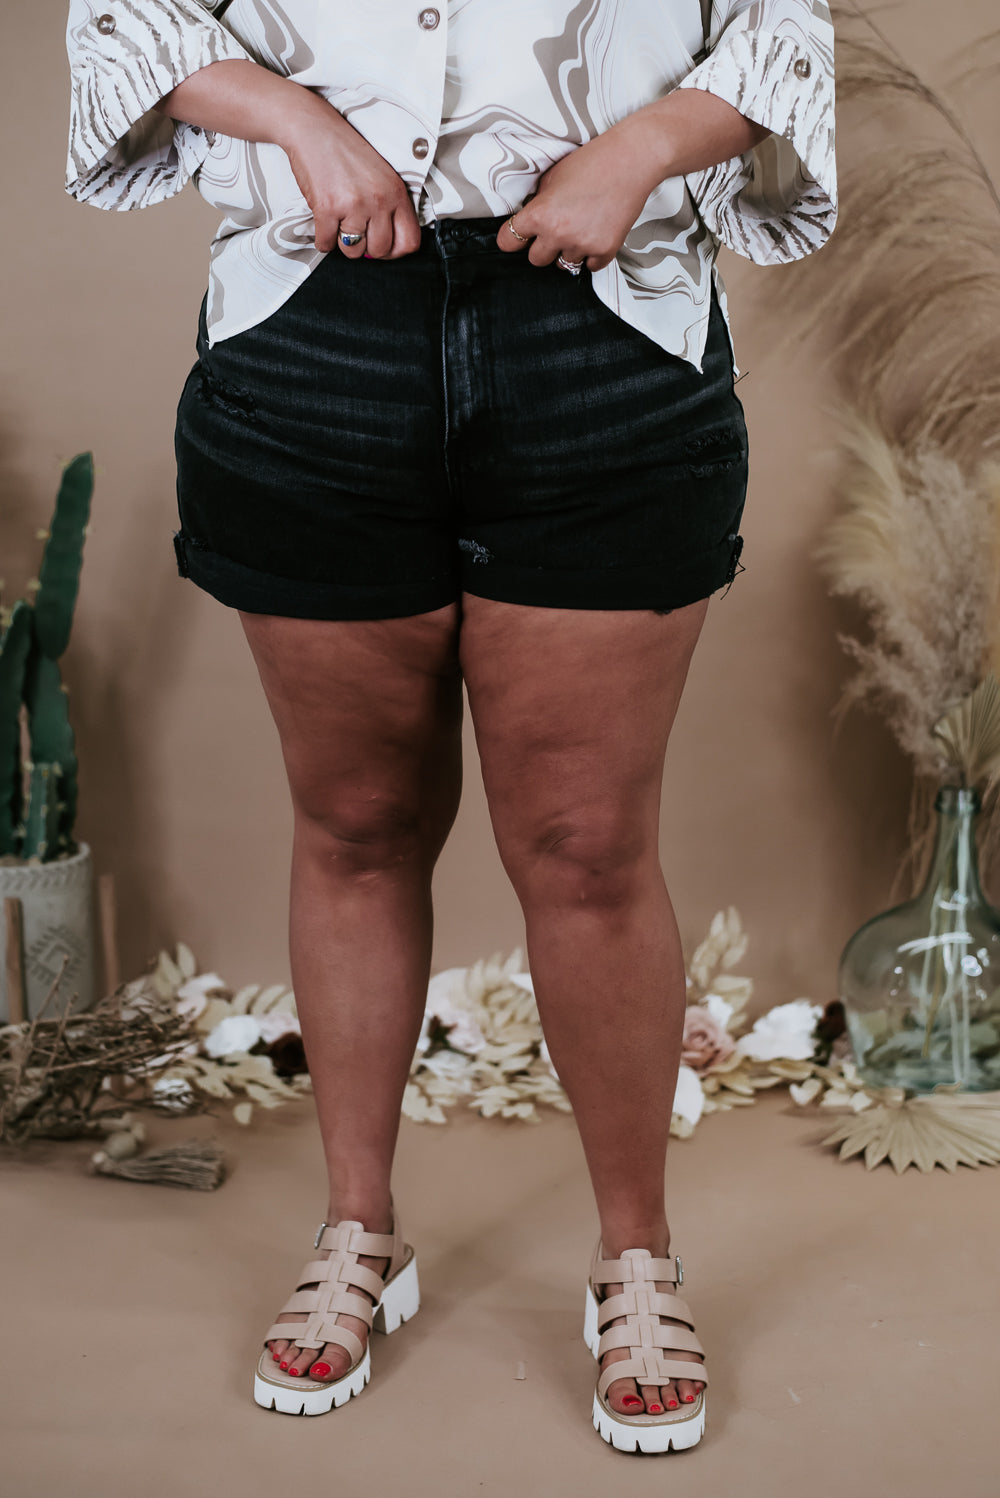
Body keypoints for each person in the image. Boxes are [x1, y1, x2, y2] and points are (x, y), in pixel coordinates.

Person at [66, 0, 835, 1454]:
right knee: (356, 822)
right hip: (313, 323)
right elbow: (127, 14)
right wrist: (296, 122)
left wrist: (641, 150)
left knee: (590, 845)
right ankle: (358, 1231)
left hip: (606, 324)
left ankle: (636, 1261)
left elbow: (781, 27)